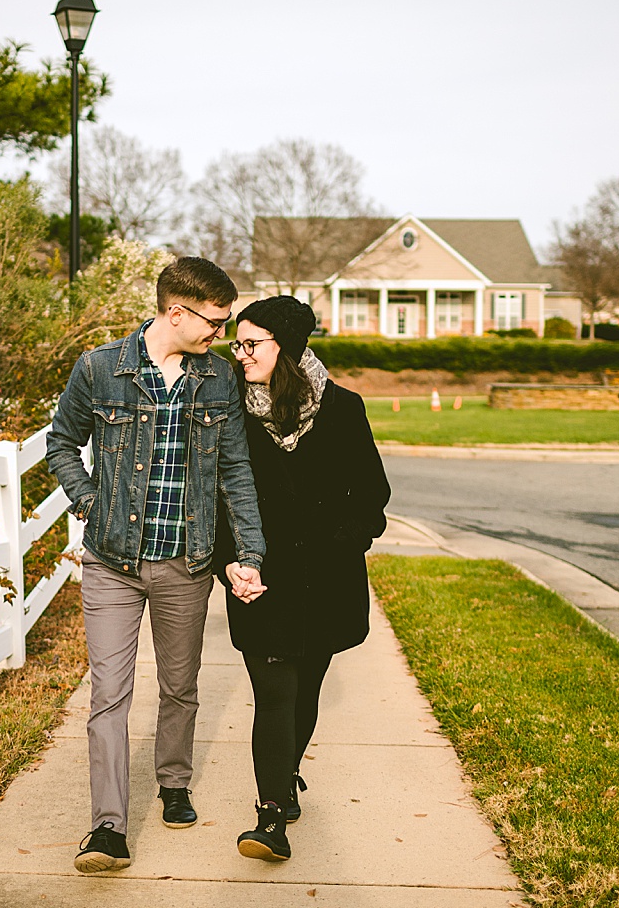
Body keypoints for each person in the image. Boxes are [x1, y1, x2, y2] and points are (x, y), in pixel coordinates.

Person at [46, 257, 266, 874]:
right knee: (108, 694)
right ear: (177, 312)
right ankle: (108, 827)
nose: (221, 335)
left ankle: (174, 782)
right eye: (215, 323)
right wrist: (91, 502)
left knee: (179, 686)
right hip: (112, 563)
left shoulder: (216, 380)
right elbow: (60, 443)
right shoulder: (99, 368)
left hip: (187, 563)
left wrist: (248, 552)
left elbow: (234, 471)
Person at [214, 295, 391, 862]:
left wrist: (345, 538)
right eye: (237, 343)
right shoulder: (231, 414)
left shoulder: (343, 408)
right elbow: (215, 499)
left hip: (326, 580)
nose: (239, 354)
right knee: (274, 693)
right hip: (260, 580)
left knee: (305, 691)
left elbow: (372, 496)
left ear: (285, 347)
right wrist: (230, 561)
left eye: (251, 343)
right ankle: (270, 819)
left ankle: (286, 774)